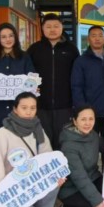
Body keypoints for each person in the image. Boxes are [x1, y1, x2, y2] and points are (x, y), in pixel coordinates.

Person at [0, 92, 63, 207]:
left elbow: (47, 159)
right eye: (24, 107)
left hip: (31, 185)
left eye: (33, 108)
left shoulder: (38, 130)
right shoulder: (3, 134)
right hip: (12, 192)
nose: (29, 112)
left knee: (54, 182)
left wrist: (56, 176)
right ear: (15, 109)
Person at [26, 13, 80, 147]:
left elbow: (77, 77)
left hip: (65, 106)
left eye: (56, 26)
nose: (52, 29)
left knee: (64, 142)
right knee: (42, 142)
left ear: (62, 28)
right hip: (40, 105)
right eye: (48, 26)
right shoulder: (34, 49)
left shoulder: (72, 49)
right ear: (42, 29)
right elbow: (27, 75)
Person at [0, 22, 35, 135]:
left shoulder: (24, 57)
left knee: (20, 144)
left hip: (20, 112)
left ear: (15, 37)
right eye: (3, 37)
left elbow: (32, 78)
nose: (8, 39)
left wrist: (33, 87)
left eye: (11, 36)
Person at [71, 25, 104, 140]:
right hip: (90, 112)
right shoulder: (81, 61)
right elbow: (76, 86)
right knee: (89, 143)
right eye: (94, 36)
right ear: (88, 39)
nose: (97, 38)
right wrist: (82, 108)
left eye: (100, 35)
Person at [58, 104, 104, 207]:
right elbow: (79, 177)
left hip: (93, 177)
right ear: (75, 121)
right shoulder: (68, 146)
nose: (87, 123)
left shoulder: (94, 136)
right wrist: (97, 202)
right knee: (91, 205)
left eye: (91, 119)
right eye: (83, 119)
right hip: (71, 187)